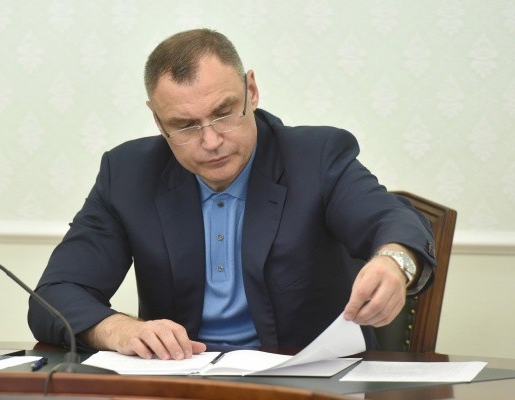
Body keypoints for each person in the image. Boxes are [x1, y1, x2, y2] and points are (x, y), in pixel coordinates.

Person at [28, 28, 436, 360]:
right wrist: (120, 330)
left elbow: (392, 219)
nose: (211, 141)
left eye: (224, 113)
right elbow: (55, 296)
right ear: (157, 119)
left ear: (251, 91)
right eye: (185, 125)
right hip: (182, 384)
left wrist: (393, 262)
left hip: (306, 381)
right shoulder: (128, 174)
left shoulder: (315, 158)